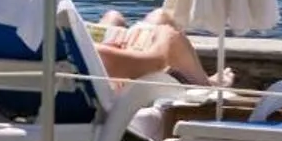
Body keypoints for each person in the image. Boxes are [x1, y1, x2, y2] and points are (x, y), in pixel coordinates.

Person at [92, 7, 225, 89]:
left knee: (112, 17)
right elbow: (156, 62)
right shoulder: (96, 54)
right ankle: (206, 86)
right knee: (162, 19)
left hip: (100, 75)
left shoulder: (75, 47)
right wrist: (166, 35)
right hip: (120, 95)